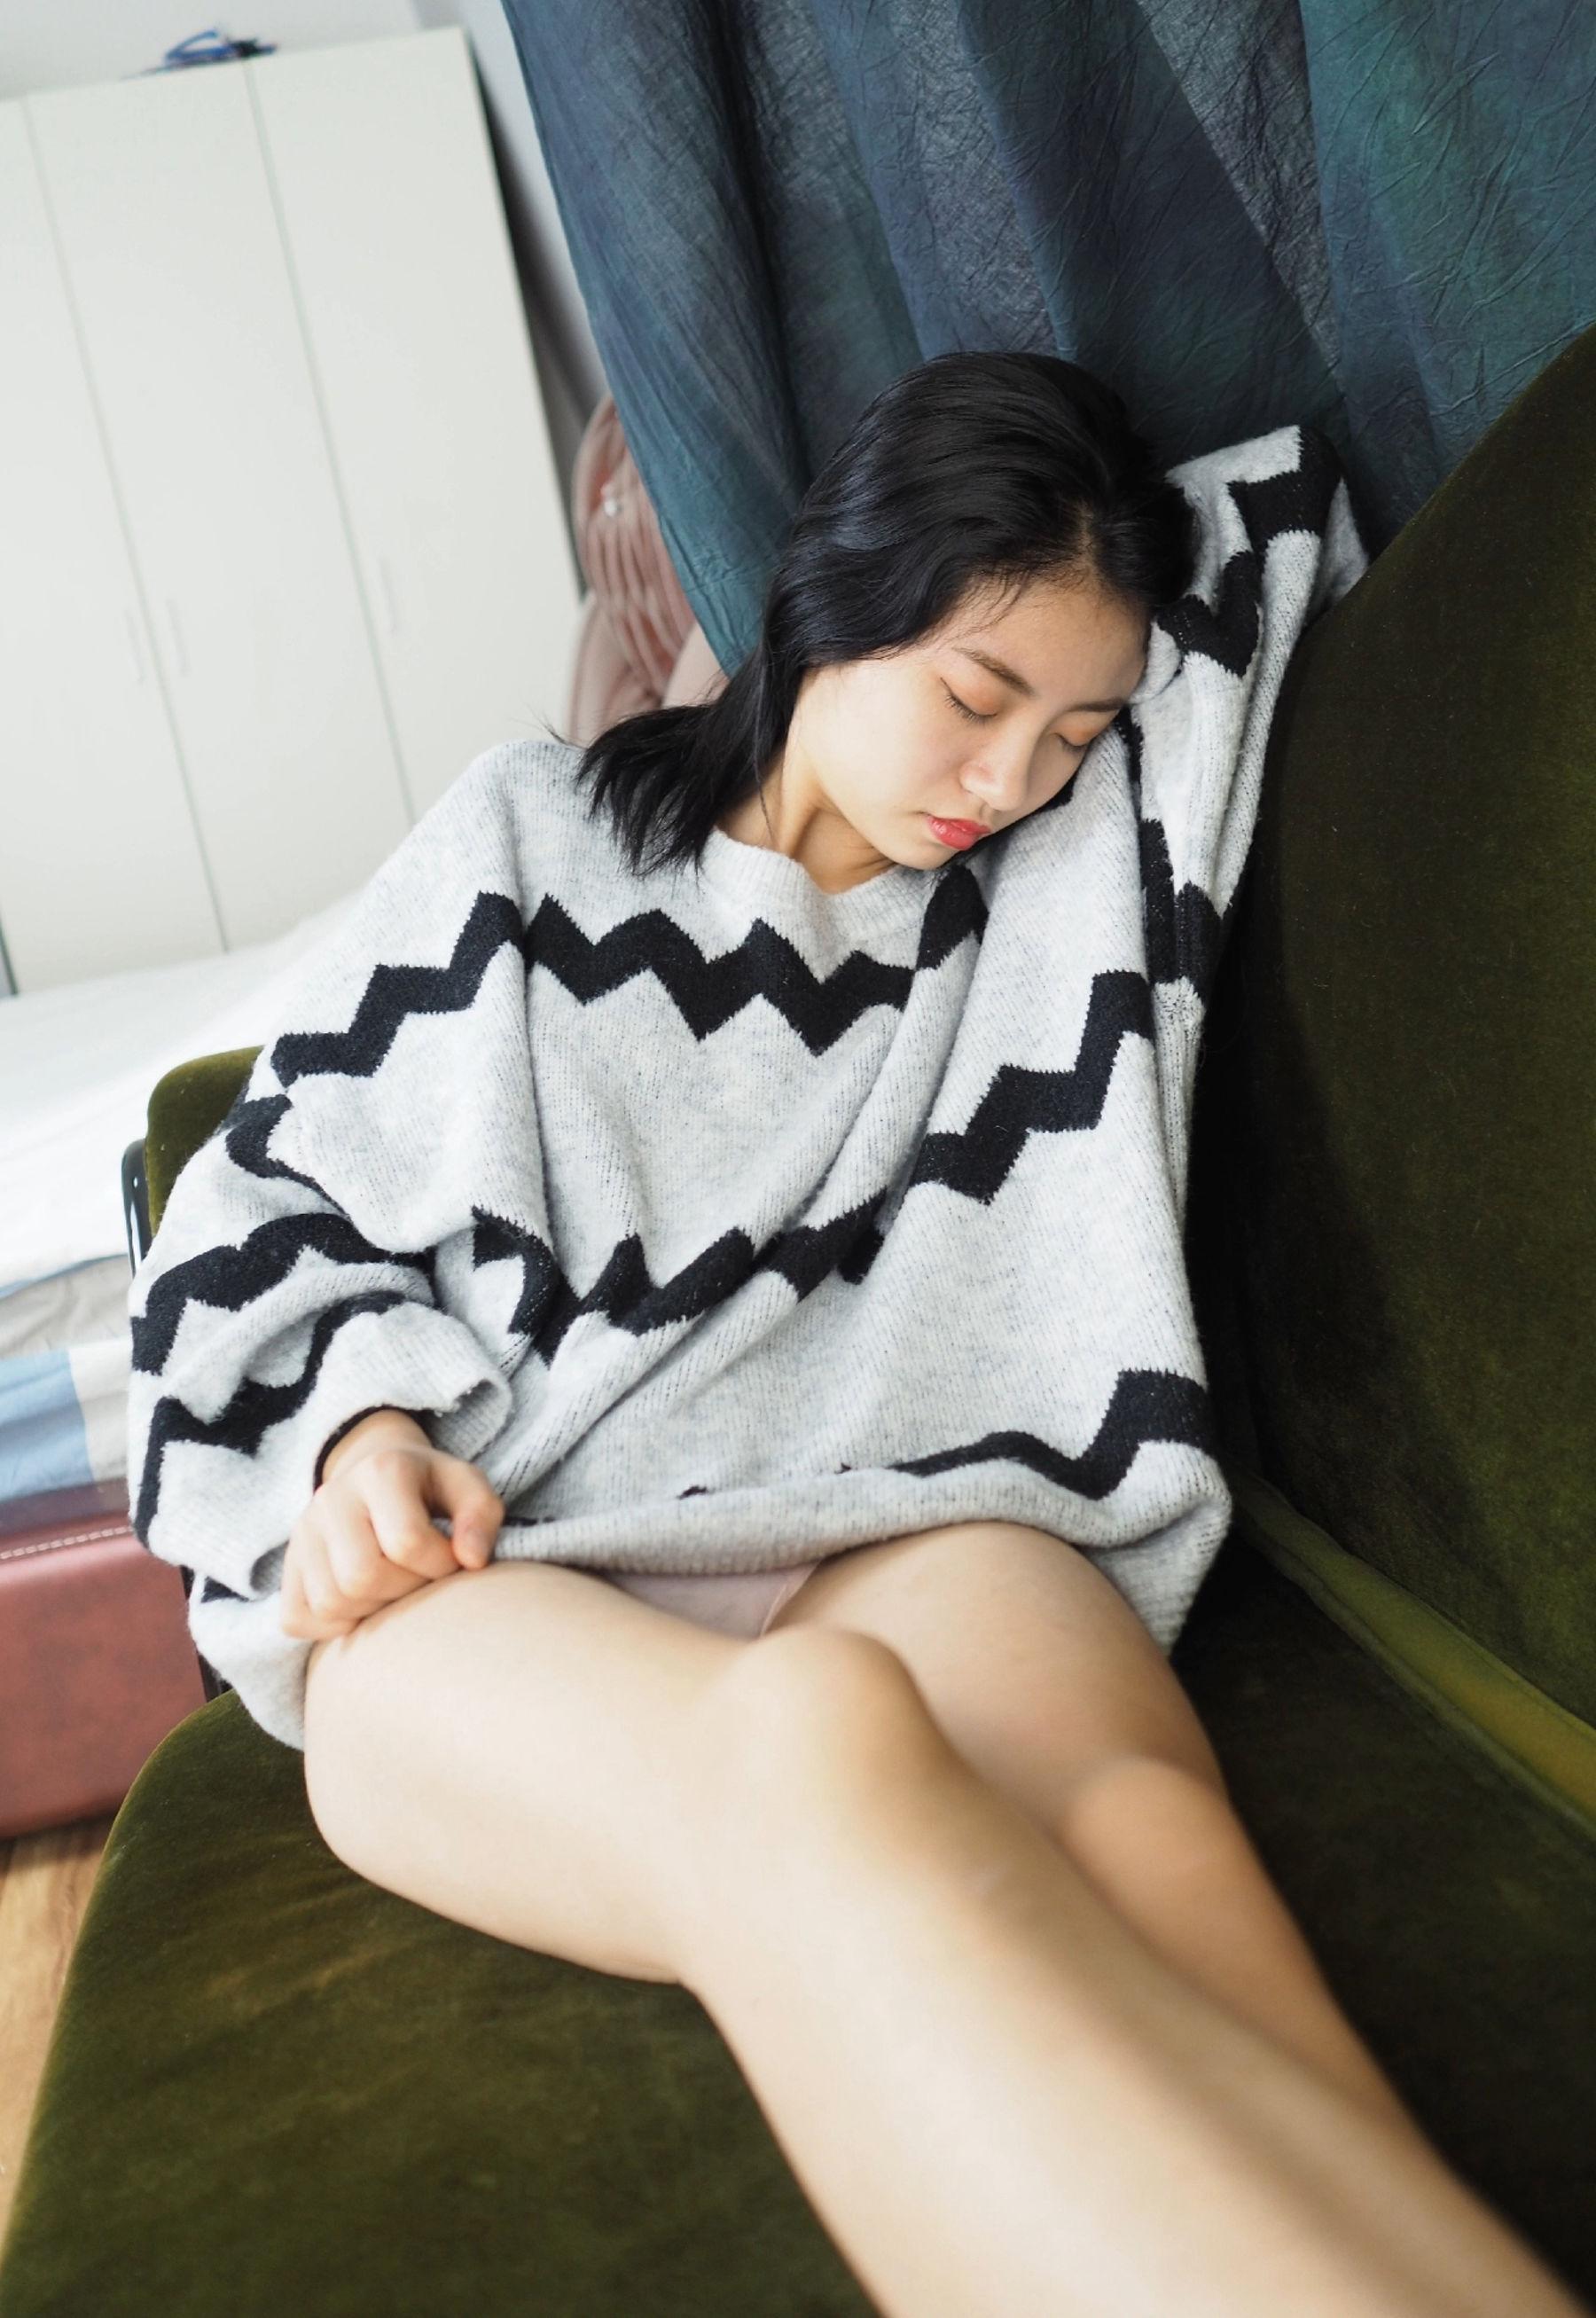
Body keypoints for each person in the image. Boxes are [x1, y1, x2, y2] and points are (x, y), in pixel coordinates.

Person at [138, 351, 1589, 2318]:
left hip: (920, 1504)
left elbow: (1265, 522)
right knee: (815, 1740)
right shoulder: (530, 837)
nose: (1007, 779)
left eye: (1075, 730)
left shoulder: (1062, 874)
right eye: (975, 699)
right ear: (833, 591)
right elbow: (262, 1192)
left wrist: (1079, 609)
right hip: (509, 1557)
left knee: (1146, 1836)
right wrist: (351, 1434)